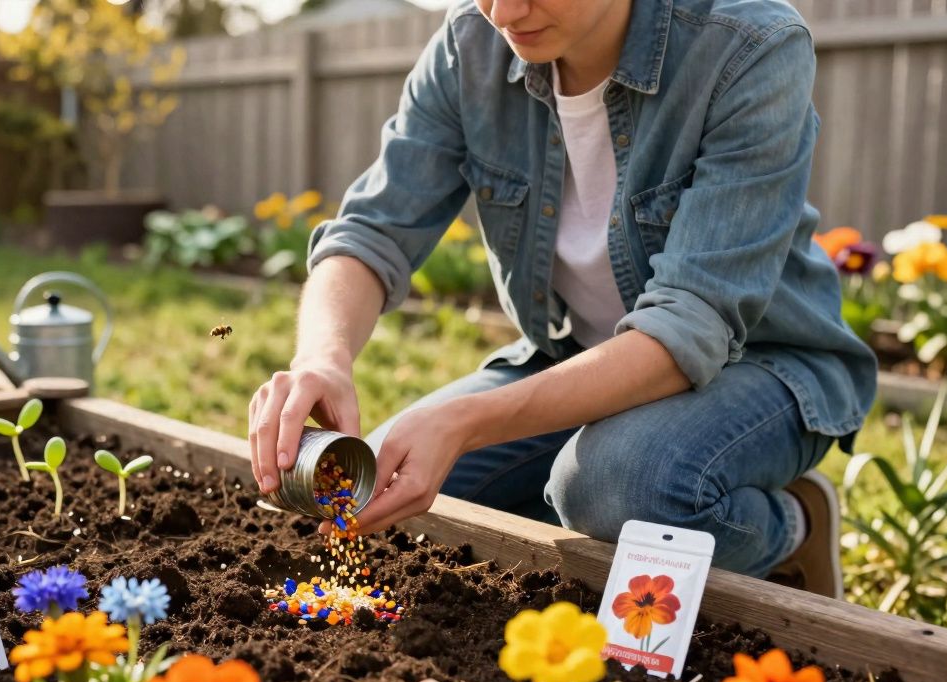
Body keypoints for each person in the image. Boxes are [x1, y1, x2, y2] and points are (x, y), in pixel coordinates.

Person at [247, 0, 876, 598]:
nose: (504, 14)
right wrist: (323, 358)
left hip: (762, 367)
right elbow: (372, 231)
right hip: (570, 358)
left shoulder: (749, 46)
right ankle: (594, 527)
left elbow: (691, 322)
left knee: (617, 487)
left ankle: (791, 528)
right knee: (392, 494)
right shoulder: (470, 45)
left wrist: (466, 423)